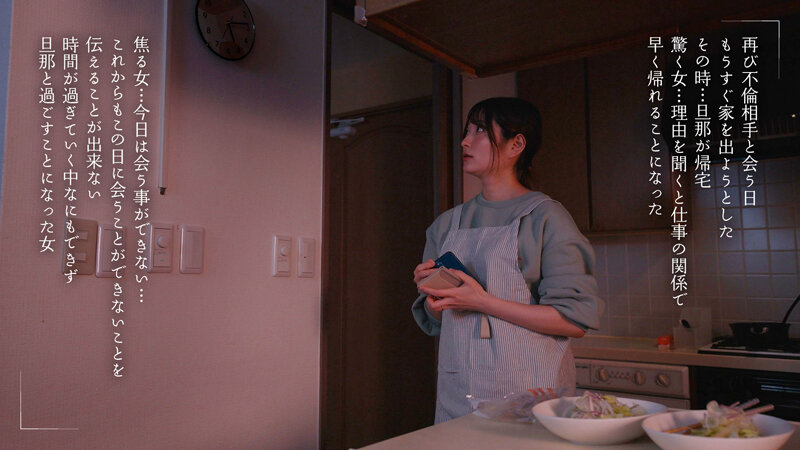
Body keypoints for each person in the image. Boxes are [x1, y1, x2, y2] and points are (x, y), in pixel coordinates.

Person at [411, 97, 604, 424]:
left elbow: (573, 321)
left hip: (530, 394)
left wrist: (482, 301)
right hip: (458, 394)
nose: (465, 141)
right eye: (467, 131)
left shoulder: (546, 218)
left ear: (516, 144)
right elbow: (436, 319)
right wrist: (435, 296)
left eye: (480, 131)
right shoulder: (446, 224)